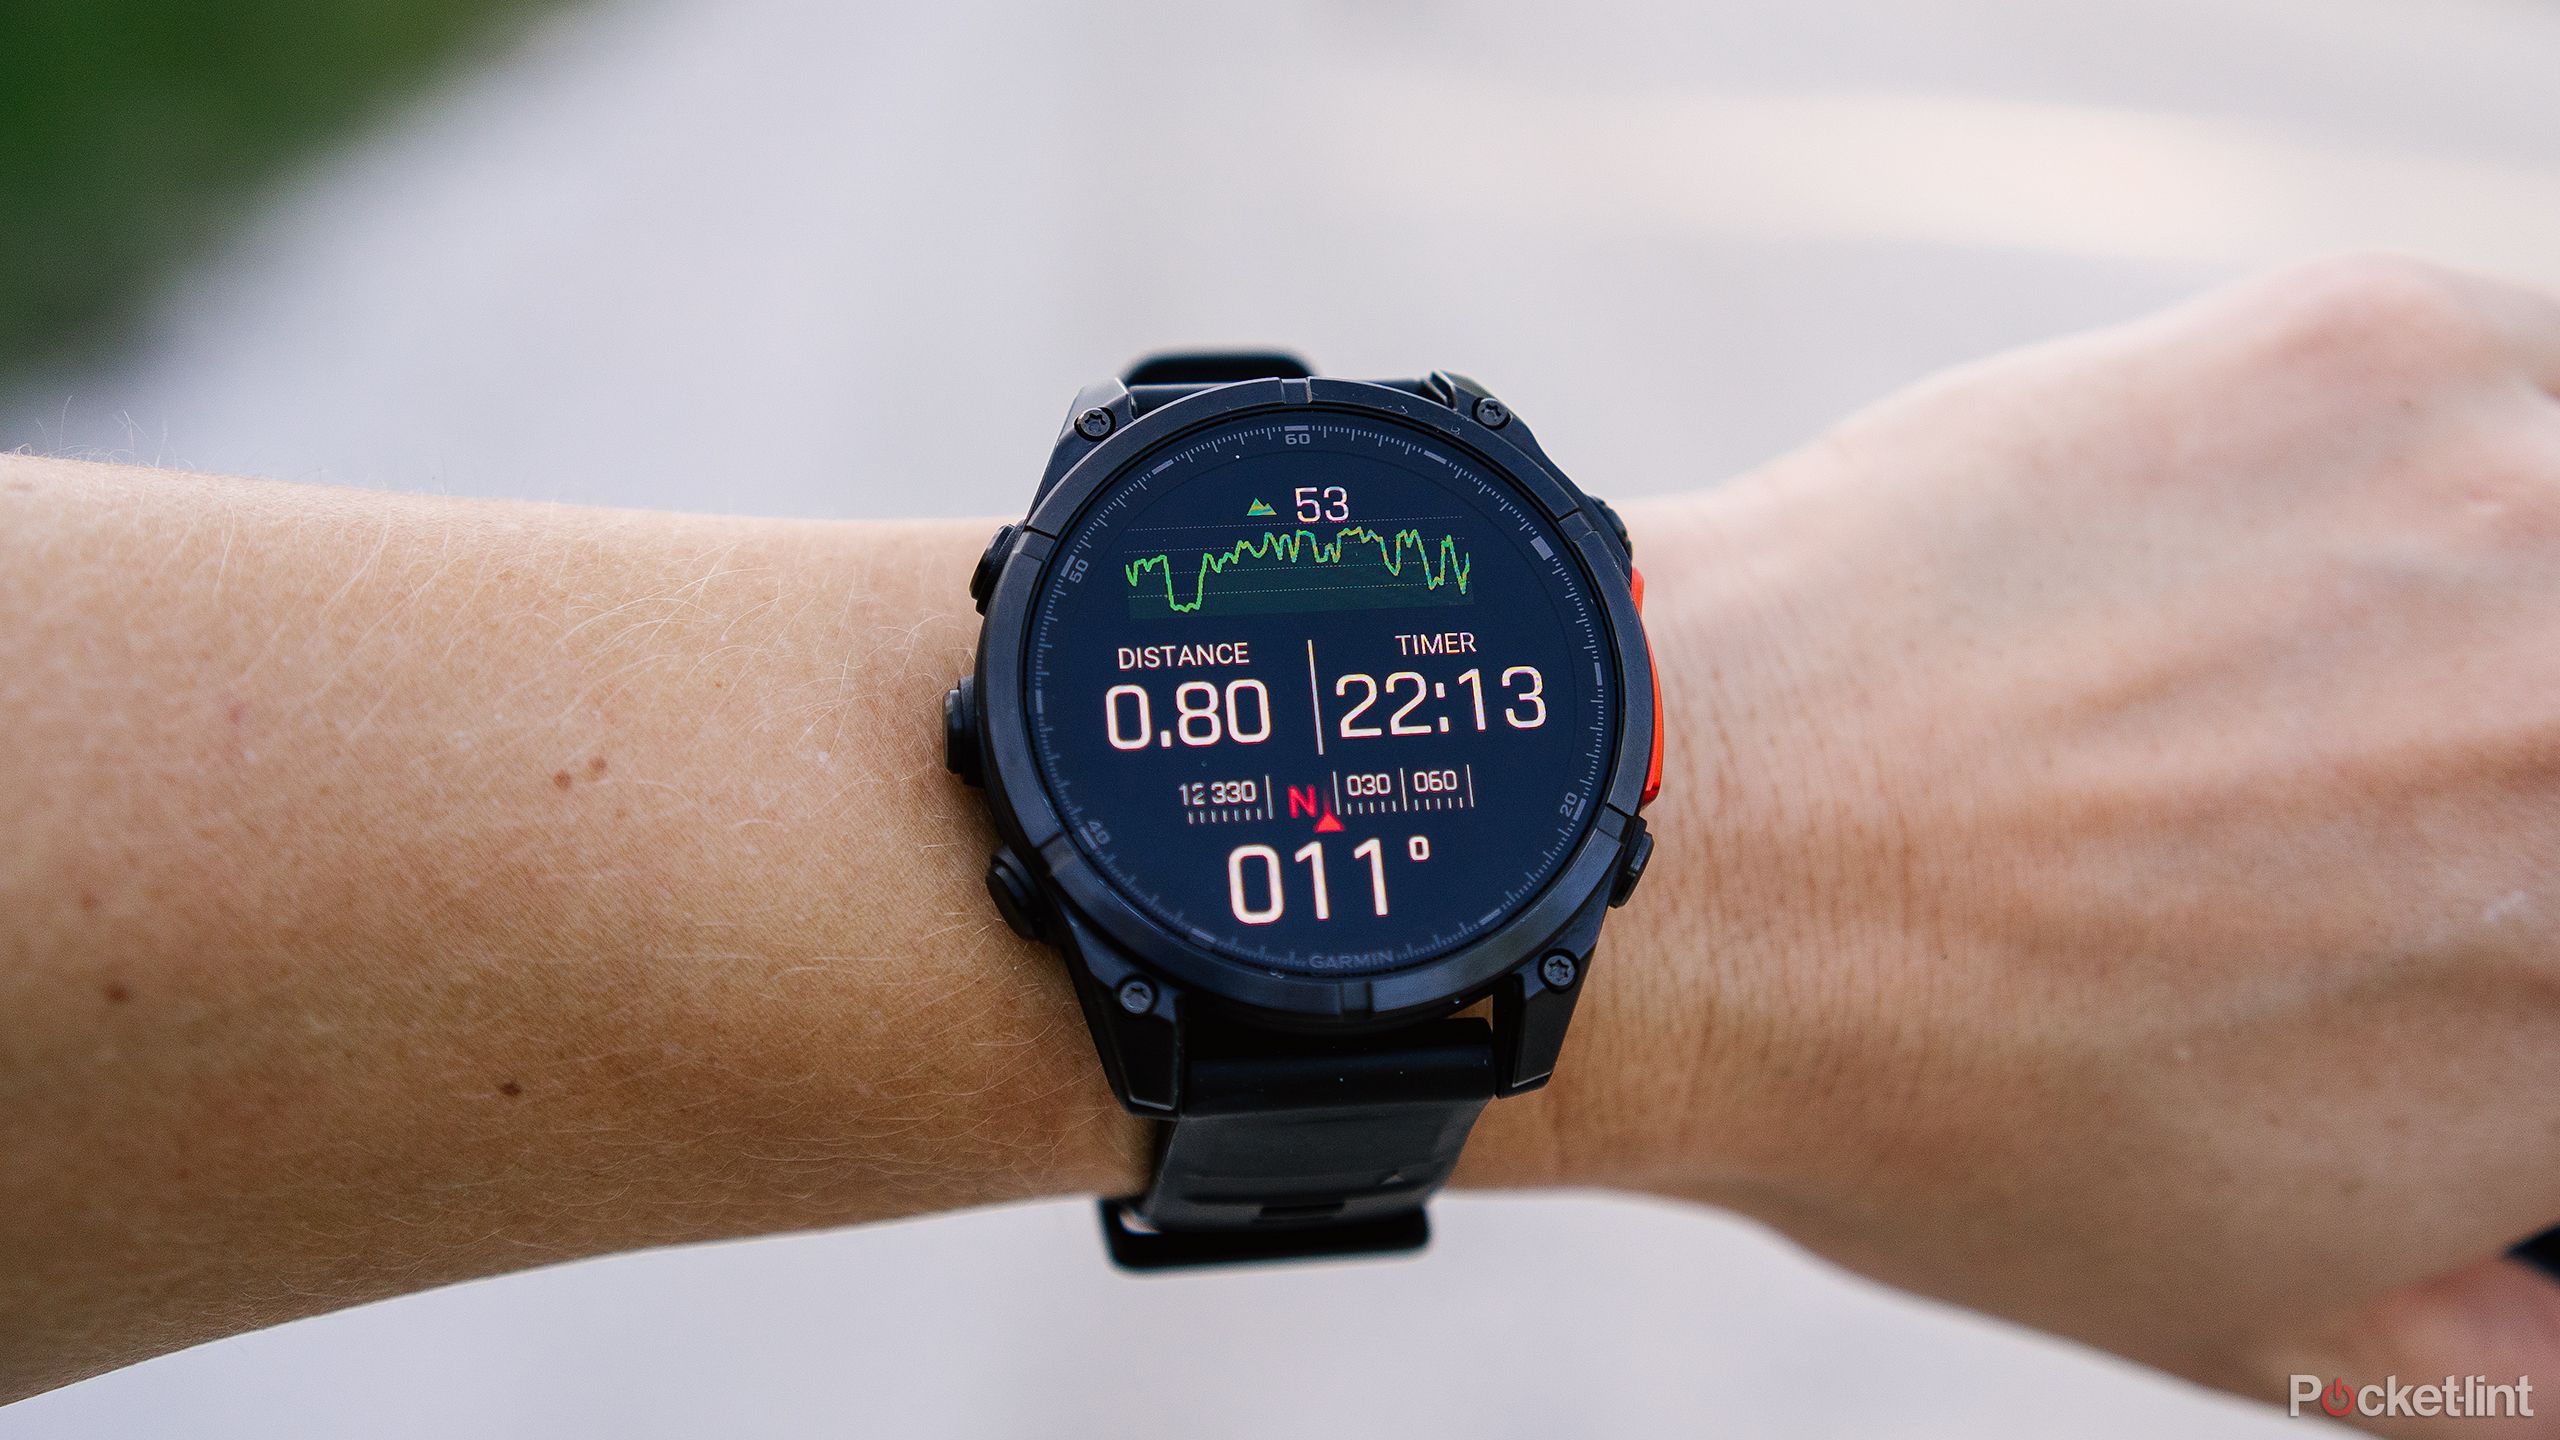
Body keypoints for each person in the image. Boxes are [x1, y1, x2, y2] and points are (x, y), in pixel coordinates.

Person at [2, 255, 2555, 1435]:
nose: (1317, 722)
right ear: (999, 751)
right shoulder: (1071, 801)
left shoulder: (1446, 691)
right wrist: (1819, 842)